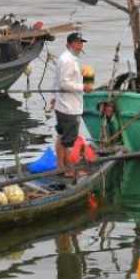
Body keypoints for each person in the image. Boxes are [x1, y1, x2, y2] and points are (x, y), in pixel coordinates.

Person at [54, 31, 93, 175]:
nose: (79, 46)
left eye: (81, 43)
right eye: (76, 43)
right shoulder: (68, 61)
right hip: (69, 108)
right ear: (68, 44)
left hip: (61, 105)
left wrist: (53, 97)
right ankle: (70, 171)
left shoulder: (65, 58)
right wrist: (83, 87)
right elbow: (64, 84)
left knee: (61, 136)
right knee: (69, 142)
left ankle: (60, 167)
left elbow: (57, 81)